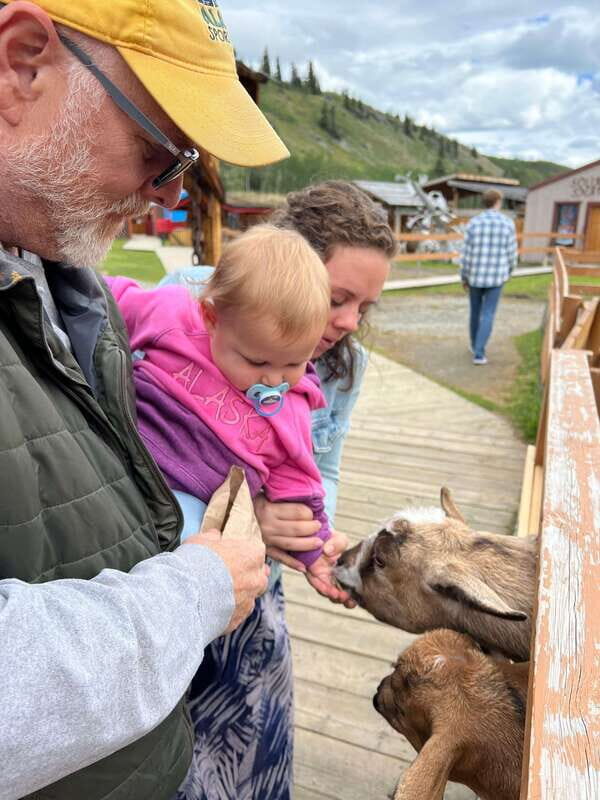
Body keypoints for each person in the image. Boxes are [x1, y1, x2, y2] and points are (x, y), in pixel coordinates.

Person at [0, 0, 288, 797]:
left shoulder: (59, 267)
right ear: (22, 62)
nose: (165, 196)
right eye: (159, 152)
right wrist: (196, 594)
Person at [159, 181, 396, 800]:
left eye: (363, 308)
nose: (346, 323)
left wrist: (311, 532)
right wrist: (249, 512)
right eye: (337, 298)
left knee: (253, 740)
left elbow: (327, 467)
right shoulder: (200, 303)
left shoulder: (344, 368)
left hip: (256, 580)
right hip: (172, 565)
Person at [106, 224, 338, 587]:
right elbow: (107, 299)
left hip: (193, 507)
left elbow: (300, 485)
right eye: (257, 362)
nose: (274, 380)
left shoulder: (292, 404)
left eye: (294, 364)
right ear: (212, 318)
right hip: (116, 458)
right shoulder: (174, 318)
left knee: (206, 556)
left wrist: (316, 553)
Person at [460, 188, 518, 365]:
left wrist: (464, 276)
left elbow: (466, 254)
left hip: (475, 276)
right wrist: (509, 271)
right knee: (488, 313)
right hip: (496, 277)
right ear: (498, 202)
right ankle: (479, 353)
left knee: (475, 312)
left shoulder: (473, 223)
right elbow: (512, 253)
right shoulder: (507, 223)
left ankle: (474, 345)